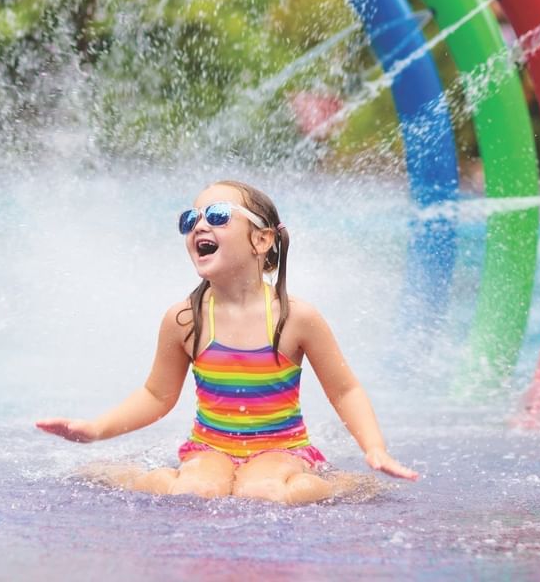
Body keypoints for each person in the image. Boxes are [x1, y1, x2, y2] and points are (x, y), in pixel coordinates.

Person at [36, 180, 418, 504]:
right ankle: (130, 476)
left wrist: (374, 448)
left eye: (217, 215)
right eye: (190, 219)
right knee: (193, 491)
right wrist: (96, 429)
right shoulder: (185, 319)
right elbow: (156, 395)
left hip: (280, 449)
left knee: (262, 492)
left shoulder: (296, 317)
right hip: (210, 447)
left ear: (262, 239)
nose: (199, 225)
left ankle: (341, 484)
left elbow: (345, 389)